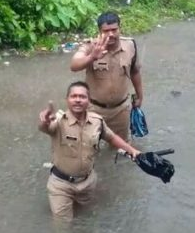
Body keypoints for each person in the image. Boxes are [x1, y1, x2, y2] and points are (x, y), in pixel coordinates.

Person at [38, 81, 141, 221]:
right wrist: (45, 121)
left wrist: (132, 151)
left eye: (82, 96)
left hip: (87, 182)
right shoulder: (58, 121)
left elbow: (111, 138)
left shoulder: (97, 121)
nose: (78, 100)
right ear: (67, 100)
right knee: (63, 225)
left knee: (87, 218)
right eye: (74, 96)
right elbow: (45, 128)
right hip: (61, 185)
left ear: (89, 100)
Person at [70, 11, 143, 143]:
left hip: (121, 110)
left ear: (120, 28)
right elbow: (74, 65)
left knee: (120, 150)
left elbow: (135, 72)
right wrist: (92, 57)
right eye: (106, 31)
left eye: (114, 30)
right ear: (99, 31)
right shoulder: (91, 46)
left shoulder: (130, 45)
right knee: (90, 149)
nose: (111, 34)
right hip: (94, 110)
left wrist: (140, 96)